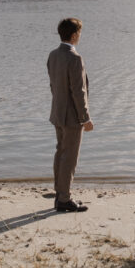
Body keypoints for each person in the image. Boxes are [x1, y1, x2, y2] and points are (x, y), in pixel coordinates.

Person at [47, 17, 94, 212]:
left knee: (60, 154)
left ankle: (60, 195)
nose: (80, 37)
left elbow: (53, 86)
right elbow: (78, 91)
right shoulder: (75, 58)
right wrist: (85, 118)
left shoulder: (53, 55)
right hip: (72, 116)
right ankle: (64, 198)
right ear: (74, 35)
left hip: (57, 112)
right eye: (80, 33)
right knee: (69, 157)